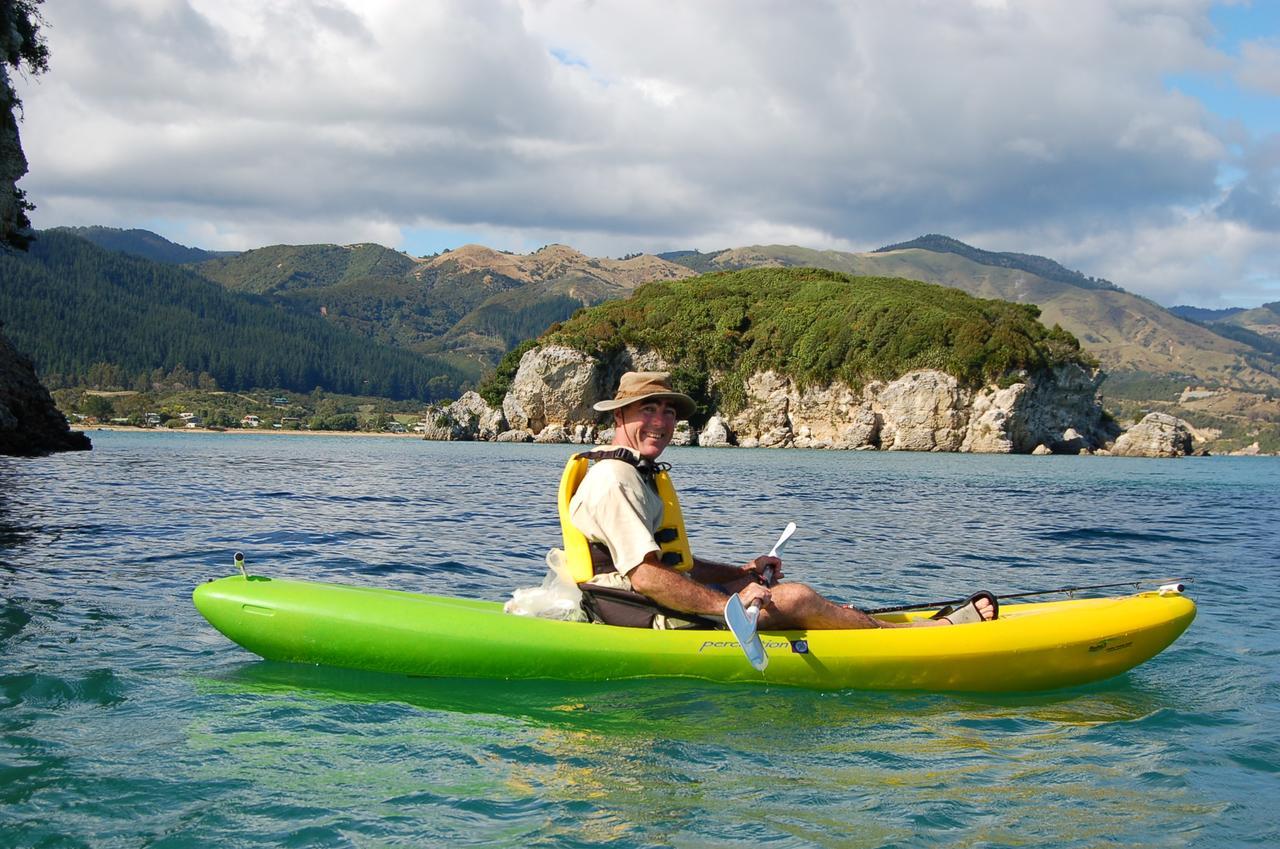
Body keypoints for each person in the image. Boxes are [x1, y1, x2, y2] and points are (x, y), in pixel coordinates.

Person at [567, 371, 996, 630]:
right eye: (648, 409)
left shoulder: (634, 472)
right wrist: (729, 605)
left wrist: (740, 574)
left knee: (761, 586)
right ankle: (919, 635)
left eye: (668, 411)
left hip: (644, 600)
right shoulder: (614, 479)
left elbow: (673, 566)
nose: (661, 422)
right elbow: (645, 577)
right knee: (793, 598)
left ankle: (851, 622)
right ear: (619, 415)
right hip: (637, 614)